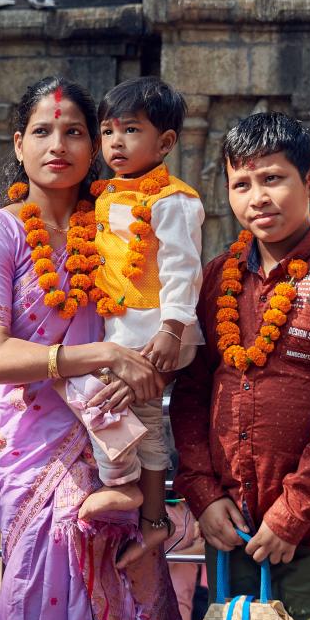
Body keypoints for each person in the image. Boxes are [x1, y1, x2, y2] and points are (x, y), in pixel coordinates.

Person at [0, 75, 185, 620]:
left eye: (74, 131)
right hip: (36, 450)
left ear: (95, 147)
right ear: (17, 144)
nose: (57, 145)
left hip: (118, 439)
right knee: (43, 591)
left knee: (129, 583)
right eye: (42, 131)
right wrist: (103, 353)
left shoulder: (120, 221)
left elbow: (169, 299)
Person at [171, 112, 310, 620]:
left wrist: (294, 513)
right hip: (230, 519)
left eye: (273, 179)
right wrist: (200, 491)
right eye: (241, 183)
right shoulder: (219, 277)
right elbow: (193, 392)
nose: (257, 197)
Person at [64, 76, 204, 535]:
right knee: (131, 411)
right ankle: (142, 502)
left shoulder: (173, 199)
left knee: (91, 393)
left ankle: (124, 484)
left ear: (164, 143)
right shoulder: (104, 196)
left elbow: (183, 267)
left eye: (130, 130)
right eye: (107, 131)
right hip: (124, 330)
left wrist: (173, 329)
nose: (115, 142)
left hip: (157, 331)